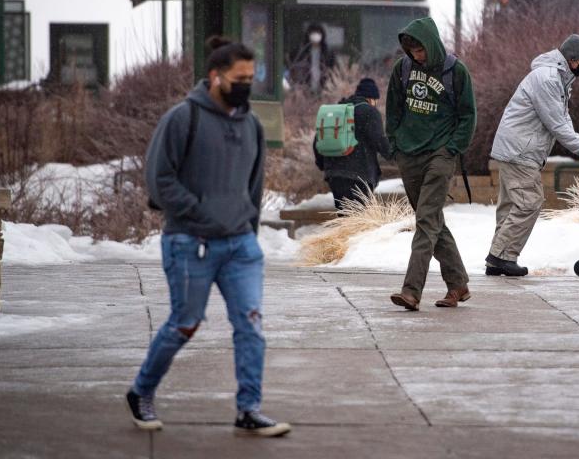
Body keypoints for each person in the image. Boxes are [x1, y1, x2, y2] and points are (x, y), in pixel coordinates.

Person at [127, 36, 290, 437]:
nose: (247, 84)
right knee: (185, 323)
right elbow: (158, 180)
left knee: (250, 326)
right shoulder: (183, 117)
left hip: (240, 247)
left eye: (252, 77)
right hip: (190, 243)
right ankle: (141, 391)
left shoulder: (251, 124)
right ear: (216, 77)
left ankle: (248, 408)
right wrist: (202, 213)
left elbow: (253, 187)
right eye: (239, 77)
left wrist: (247, 232)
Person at [485, 34, 579, 276]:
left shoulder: (558, 78)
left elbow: (562, 117)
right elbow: (556, 122)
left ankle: (498, 260)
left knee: (511, 206)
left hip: (515, 148)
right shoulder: (547, 78)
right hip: (520, 151)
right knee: (529, 202)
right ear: (571, 59)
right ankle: (500, 256)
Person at [385, 17, 477, 310]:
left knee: (425, 220)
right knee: (433, 219)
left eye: (420, 50)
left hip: (440, 154)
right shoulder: (402, 69)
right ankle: (458, 284)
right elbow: (393, 108)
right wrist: (394, 142)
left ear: (432, 44)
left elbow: (468, 115)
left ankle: (411, 290)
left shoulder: (456, 71)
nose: (416, 55)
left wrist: (453, 148)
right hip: (409, 153)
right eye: (411, 51)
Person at [314, 77, 393, 211]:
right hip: (359, 175)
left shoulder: (338, 111)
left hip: (335, 175)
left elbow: (318, 140)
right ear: (371, 98)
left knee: (345, 217)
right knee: (358, 220)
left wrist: (323, 164)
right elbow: (379, 140)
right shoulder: (369, 112)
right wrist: (395, 156)